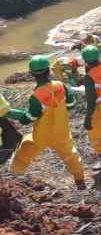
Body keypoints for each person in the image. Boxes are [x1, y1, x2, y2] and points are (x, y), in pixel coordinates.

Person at [6, 55, 86, 190]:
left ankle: (13, 180)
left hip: (41, 135)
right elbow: (71, 104)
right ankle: (80, 183)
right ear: (49, 71)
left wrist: (10, 112)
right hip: (62, 133)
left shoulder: (36, 96)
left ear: (31, 74)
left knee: (22, 155)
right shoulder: (60, 86)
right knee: (71, 157)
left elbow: (28, 119)